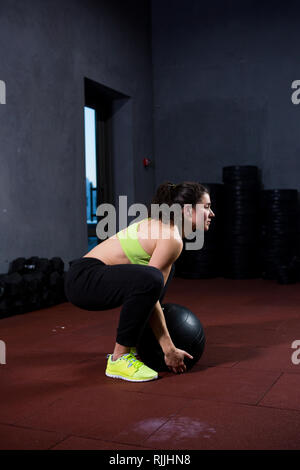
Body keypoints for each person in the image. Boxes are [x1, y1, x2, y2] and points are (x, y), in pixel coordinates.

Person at [64, 181, 215, 382]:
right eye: (206, 207)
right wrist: (169, 349)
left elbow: (151, 295)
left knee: (161, 275)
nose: (212, 213)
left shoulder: (162, 225)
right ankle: (119, 358)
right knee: (152, 278)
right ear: (187, 211)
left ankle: (133, 345)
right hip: (84, 280)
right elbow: (149, 286)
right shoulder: (171, 238)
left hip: (83, 276)